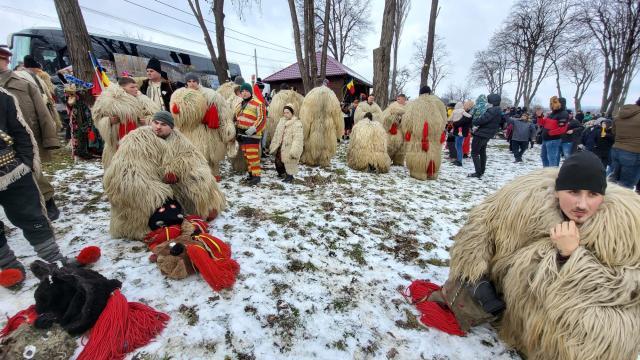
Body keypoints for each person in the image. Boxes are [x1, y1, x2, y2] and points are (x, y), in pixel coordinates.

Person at [445, 151, 640, 359]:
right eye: (573, 192)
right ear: (557, 191)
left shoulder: (623, 226)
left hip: (585, 324)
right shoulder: (525, 206)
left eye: (593, 195)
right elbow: (479, 229)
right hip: (525, 315)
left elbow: (628, 287)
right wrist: (475, 276)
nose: (582, 205)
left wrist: (573, 255)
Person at [103, 111, 226, 241]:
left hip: (168, 186)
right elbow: (131, 168)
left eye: (163, 124)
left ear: (171, 128)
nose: (158, 127)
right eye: (155, 123)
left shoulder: (179, 140)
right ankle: (149, 222)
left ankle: (204, 206)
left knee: (200, 179)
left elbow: (191, 158)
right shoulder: (138, 139)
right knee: (168, 216)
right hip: (144, 186)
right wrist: (159, 181)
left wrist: (176, 171)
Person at [0, 88, 67, 288]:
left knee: (31, 215)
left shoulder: (3, 97)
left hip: (12, 169)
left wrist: (26, 162)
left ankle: (53, 258)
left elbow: (20, 130)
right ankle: (7, 264)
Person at [0, 45, 60, 220]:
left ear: (6, 60)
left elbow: (43, 113)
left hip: (26, 139)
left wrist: (49, 139)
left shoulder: (25, 84)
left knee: (33, 172)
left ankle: (48, 201)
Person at [401, 85, 448, 180]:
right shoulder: (439, 103)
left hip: (418, 135)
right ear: (430, 92)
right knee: (433, 152)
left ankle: (418, 172)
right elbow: (444, 120)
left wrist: (408, 131)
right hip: (434, 135)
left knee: (418, 152)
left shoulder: (414, 104)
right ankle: (432, 173)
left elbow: (407, 121)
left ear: (420, 93)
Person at [234, 83, 267, 186]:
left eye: (246, 91)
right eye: (242, 91)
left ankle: (256, 176)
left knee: (253, 156)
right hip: (242, 134)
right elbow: (237, 117)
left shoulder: (258, 103)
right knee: (247, 156)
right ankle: (251, 174)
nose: (244, 93)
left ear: (250, 92)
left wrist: (254, 128)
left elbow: (262, 118)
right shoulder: (240, 104)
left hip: (252, 135)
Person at [608, 96, 640, 189]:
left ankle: (608, 200)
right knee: (626, 186)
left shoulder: (619, 115)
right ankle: (619, 203)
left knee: (612, 181)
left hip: (616, 149)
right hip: (634, 153)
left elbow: (614, 132)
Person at [468, 93, 502, 179]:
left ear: (492, 101)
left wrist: (474, 121)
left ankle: (478, 172)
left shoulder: (492, 110)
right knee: (482, 152)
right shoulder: (498, 110)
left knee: (474, 153)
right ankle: (481, 170)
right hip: (487, 134)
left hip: (482, 134)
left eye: (489, 100)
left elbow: (483, 120)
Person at [269, 104, 304, 183]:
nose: (285, 114)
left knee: (289, 161)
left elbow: (298, 138)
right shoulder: (281, 121)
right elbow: (277, 133)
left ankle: (290, 176)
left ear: (292, 112)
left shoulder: (297, 123)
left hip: (290, 146)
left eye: (287, 112)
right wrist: (274, 143)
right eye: (284, 113)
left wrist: (295, 150)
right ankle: (282, 173)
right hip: (281, 145)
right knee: (278, 160)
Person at [538, 96, 569, 167]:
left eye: (554, 103)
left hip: (553, 140)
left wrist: (549, 133)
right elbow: (542, 123)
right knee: (544, 156)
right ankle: (546, 172)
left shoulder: (563, 114)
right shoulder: (552, 114)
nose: (552, 105)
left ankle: (552, 174)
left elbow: (562, 129)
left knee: (552, 158)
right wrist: (539, 116)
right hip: (545, 139)